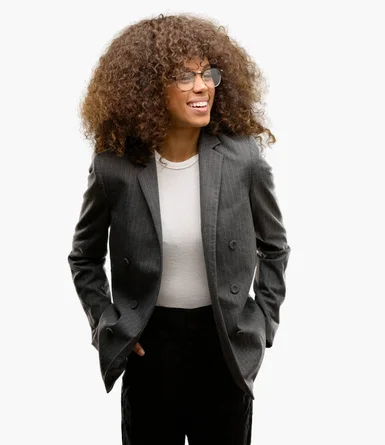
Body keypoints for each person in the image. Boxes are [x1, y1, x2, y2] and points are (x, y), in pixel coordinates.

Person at [67, 13, 291, 445]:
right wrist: (106, 322)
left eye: (207, 74)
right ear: (149, 90)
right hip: (149, 343)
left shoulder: (243, 158)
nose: (202, 86)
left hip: (224, 341)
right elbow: (84, 257)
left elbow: (275, 247)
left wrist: (262, 321)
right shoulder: (115, 166)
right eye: (185, 77)